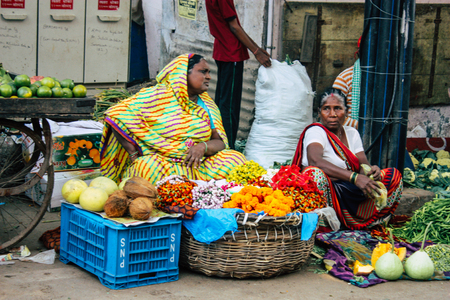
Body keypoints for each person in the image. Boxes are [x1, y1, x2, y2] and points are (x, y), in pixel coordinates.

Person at [99, 53, 247, 185]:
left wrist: (203, 147)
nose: (208, 77)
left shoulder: (208, 105)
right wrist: (133, 153)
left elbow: (220, 142)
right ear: (183, 74)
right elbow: (116, 113)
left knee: (236, 160)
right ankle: (193, 187)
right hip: (165, 165)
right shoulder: (157, 95)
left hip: (199, 166)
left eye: (208, 72)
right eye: (203, 72)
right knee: (145, 168)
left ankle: (198, 189)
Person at [292, 87, 403, 230]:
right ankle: (325, 225)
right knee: (314, 174)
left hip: (351, 189)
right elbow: (315, 161)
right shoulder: (316, 131)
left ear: (347, 111)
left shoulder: (352, 133)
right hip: (329, 195)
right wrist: (355, 178)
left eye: (338, 108)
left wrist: (371, 172)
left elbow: (363, 164)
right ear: (319, 112)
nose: (332, 114)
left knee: (393, 176)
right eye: (326, 109)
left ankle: (372, 222)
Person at [205, 0, 271, 149]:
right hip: (231, 53)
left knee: (223, 103)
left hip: (223, 50)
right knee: (229, 107)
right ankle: (227, 148)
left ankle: (220, 144)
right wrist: (256, 51)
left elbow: (234, 26)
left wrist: (257, 48)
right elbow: (234, 27)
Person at [332, 36, 362, 129]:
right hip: (348, 135)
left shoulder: (384, 79)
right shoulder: (345, 78)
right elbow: (334, 114)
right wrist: (362, 126)